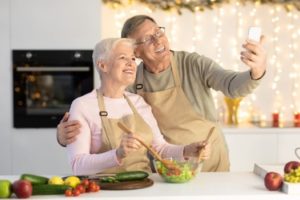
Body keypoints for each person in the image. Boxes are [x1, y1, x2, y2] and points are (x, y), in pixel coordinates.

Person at [58, 15, 267, 172]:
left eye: (158, 32)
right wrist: (63, 137)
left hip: (210, 159)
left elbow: (232, 85)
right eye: (148, 39)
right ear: (136, 52)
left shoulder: (192, 64)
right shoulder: (131, 83)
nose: (158, 41)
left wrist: (256, 70)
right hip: (170, 166)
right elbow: (100, 118)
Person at [67, 38, 211, 175]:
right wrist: (117, 154)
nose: (131, 63)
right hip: (104, 190)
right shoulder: (83, 106)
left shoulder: (138, 103)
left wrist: (187, 150)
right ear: (103, 65)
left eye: (133, 59)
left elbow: (159, 149)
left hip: (145, 185)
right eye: (123, 58)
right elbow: (78, 165)